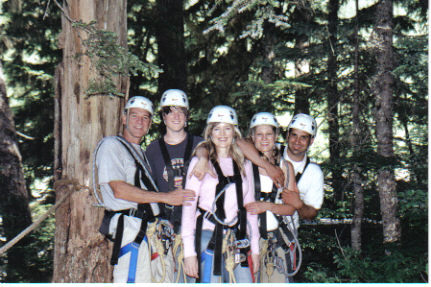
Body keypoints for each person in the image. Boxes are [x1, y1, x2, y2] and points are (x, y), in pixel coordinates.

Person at [93, 96, 195, 283]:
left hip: (152, 231)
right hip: (133, 230)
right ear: (124, 119)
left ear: (149, 123)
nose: (140, 121)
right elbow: (119, 190)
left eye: (145, 117)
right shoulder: (111, 146)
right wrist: (166, 198)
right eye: (134, 116)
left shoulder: (142, 153)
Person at [181, 105, 260, 283]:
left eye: (227, 128)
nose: (222, 134)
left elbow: (250, 209)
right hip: (206, 235)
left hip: (236, 237)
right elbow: (188, 207)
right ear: (210, 132)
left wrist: (255, 249)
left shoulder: (244, 164)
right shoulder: (200, 162)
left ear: (234, 132)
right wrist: (189, 253)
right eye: (217, 128)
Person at [145, 89, 204, 282]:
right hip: (166, 227)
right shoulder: (152, 150)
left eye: (181, 111)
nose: (176, 116)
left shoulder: (201, 144)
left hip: (196, 227)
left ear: (187, 116)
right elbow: (149, 189)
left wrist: (203, 155)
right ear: (163, 116)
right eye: (171, 111)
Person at [243, 112, 300, 283]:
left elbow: (291, 207)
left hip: (276, 239)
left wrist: (266, 206)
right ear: (252, 137)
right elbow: (234, 141)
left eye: (269, 134)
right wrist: (265, 164)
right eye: (259, 134)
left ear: (276, 135)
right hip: (248, 239)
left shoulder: (285, 166)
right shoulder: (243, 164)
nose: (264, 138)